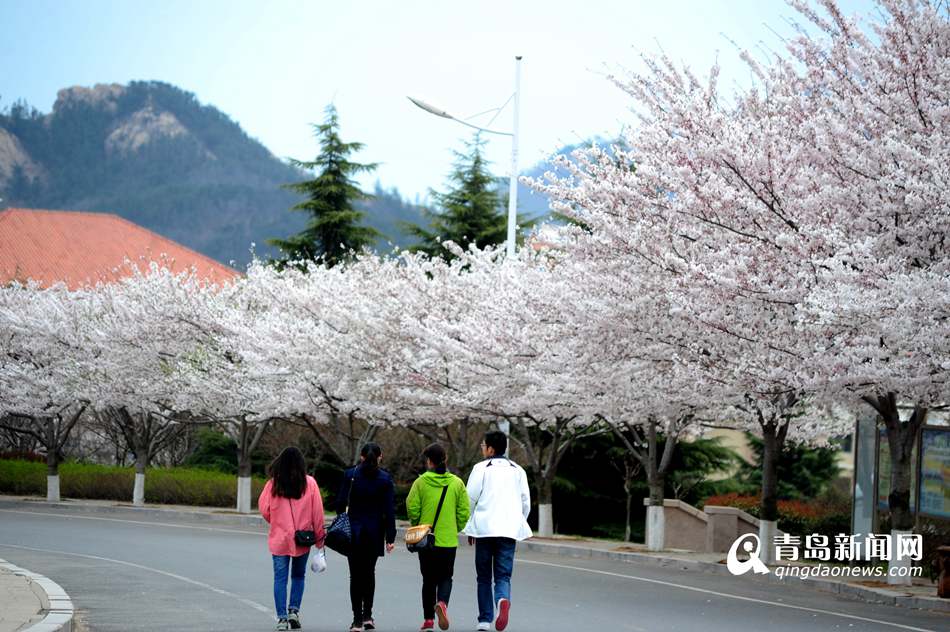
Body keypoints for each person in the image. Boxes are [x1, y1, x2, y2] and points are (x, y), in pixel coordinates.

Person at [463, 431, 532, 632]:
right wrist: (518, 522)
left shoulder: (480, 468)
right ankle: (502, 599)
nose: (482, 448)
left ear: (491, 449)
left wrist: (470, 526)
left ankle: (485, 620)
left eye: (484, 445)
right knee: (503, 576)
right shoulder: (518, 470)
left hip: (484, 529)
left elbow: (470, 499)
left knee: (483, 576)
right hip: (508, 530)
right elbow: (525, 502)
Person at [259, 446, 326, 631]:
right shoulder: (310, 483)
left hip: (279, 539)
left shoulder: (273, 484)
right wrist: (320, 539)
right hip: (302, 539)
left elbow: (264, 509)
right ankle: (293, 611)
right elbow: (317, 513)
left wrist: (277, 521)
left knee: (280, 578)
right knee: (298, 576)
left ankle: (281, 619)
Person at [406, 443, 470, 631]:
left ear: (429, 461)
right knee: (446, 577)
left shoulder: (421, 482)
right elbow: (464, 511)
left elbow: (412, 507)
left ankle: (428, 620)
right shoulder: (457, 483)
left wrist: (417, 524)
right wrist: (455, 527)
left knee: (428, 580)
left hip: (426, 540)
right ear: (445, 459)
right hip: (448, 540)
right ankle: (442, 603)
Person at [337, 442, 397, 632]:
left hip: (353, 532)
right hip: (374, 533)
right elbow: (389, 510)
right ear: (380, 456)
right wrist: (390, 537)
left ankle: (356, 621)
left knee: (355, 576)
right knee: (369, 574)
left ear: (361, 457)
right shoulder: (385, 479)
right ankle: (368, 616)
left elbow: (340, 503)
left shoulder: (350, 475)